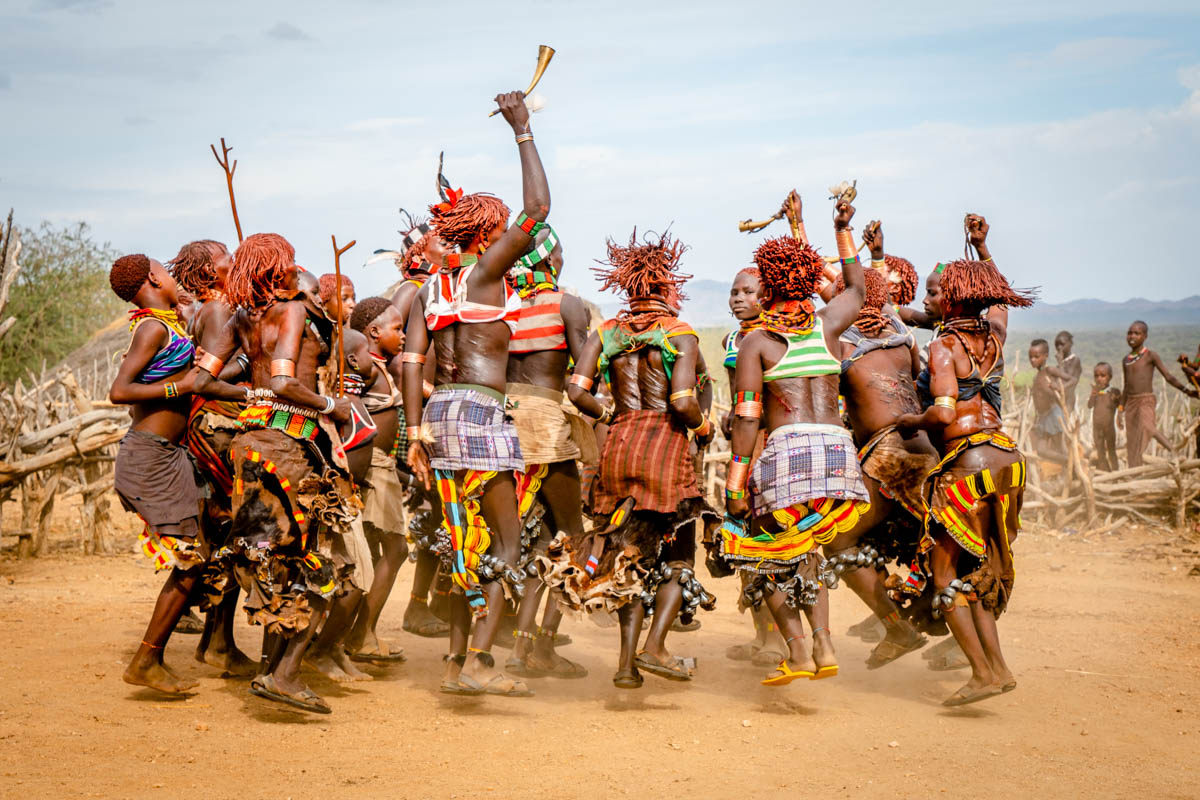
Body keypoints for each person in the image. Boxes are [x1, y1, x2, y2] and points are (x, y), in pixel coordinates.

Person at [402, 90, 548, 697]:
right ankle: (484, 662)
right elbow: (538, 207)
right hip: (482, 414)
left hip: (436, 415)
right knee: (508, 542)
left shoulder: (426, 290)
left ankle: (457, 664)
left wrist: (414, 434)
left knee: (460, 539)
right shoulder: (487, 273)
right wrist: (522, 129)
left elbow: (412, 362)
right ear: (489, 231)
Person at [541, 226, 717, 689]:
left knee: (627, 554)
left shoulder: (607, 333)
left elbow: (576, 390)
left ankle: (625, 668)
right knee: (678, 553)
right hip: (664, 448)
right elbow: (682, 400)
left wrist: (611, 412)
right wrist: (704, 427)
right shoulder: (681, 334)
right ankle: (655, 647)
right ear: (666, 286)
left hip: (617, 447)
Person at [194, 232, 361, 713]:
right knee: (317, 564)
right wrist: (333, 403)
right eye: (288, 260)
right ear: (278, 267)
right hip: (289, 450)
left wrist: (251, 393)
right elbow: (286, 380)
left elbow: (203, 379)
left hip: (250, 446)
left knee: (274, 561)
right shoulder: (291, 311)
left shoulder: (240, 318)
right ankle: (285, 675)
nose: (294, 267)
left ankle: (272, 671)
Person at [720, 197, 867, 686]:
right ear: (805, 281)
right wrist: (841, 229)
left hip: (789, 452)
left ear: (767, 289)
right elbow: (857, 288)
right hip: (838, 453)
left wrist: (735, 483)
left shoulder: (754, 343)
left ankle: (799, 651)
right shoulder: (828, 327)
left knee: (758, 549)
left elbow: (746, 420)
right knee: (808, 549)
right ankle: (825, 644)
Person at [896, 214, 1034, 706]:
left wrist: (911, 424)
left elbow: (943, 413)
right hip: (1008, 461)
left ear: (952, 299)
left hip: (967, 467)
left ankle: (982, 672)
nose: (930, 301)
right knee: (979, 568)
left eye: (938, 294)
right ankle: (996, 668)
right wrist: (984, 247)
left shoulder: (943, 346)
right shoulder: (992, 338)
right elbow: (999, 301)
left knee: (943, 575)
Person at [108, 254, 242, 693]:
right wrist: (179, 387)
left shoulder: (169, 325)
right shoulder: (152, 328)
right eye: (164, 272)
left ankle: (162, 655)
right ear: (153, 279)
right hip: (149, 458)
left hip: (167, 455)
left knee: (202, 552)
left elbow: (201, 380)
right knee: (190, 559)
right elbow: (120, 391)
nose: (171, 276)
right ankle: (146, 660)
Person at [829, 220, 932, 668]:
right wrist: (863, 248)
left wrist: (843, 234)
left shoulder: (841, 345)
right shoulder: (902, 339)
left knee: (837, 539)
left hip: (890, 454)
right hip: (928, 447)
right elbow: (879, 299)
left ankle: (897, 627)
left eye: (841, 295)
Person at [503, 225, 591, 679]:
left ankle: (520, 649)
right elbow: (583, 375)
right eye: (559, 255)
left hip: (502, 423)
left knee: (534, 541)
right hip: (544, 426)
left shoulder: (505, 303)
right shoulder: (566, 304)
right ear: (550, 261)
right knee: (571, 540)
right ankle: (540, 649)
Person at [168, 238, 256, 676]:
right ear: (206, 272)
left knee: (224, 536)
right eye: (226, 258)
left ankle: (216, 640)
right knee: (227, 534)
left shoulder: (211, 309)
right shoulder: (219, 311)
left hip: (212, 424)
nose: (234, 261)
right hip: (219, 426)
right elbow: (208, 377)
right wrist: (253, 365)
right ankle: (215, 642)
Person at [719, 266, 790, 666]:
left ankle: (780, 640)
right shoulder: (735, 337)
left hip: (769, 445)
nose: (738, 298)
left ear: (768, 295)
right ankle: (763, 635)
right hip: (745, 442)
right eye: (734, 291)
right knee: (744, 540)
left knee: (773, 539)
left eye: (749, 291)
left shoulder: (779, 334)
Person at [342, 297, 412, 663]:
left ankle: (355, 634)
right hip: (372, 467)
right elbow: (345, 407)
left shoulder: (380, 367)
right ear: (373, 332)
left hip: (382, 466)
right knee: (395, 550)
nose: (402, 335)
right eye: (397, 329)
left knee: (374, 551)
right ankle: (361, 635)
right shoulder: (365, 368)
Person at [1119, 321, 1198, 467]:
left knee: (1148, 427)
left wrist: (1186, 391)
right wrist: (1120, 409)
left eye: (1137, 333)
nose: (1132, 336)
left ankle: (1173, 451)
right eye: (1129, 332)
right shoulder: (1126, 360)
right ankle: (1134, 474)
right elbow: (1126, 386)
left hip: (1145, 400)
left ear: (1145, 336)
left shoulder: (1150, 355)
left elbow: (1168, 377)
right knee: (1133, 441)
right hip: (1130, 403)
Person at [1029, 339, 1071, 465]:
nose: (1032, 360)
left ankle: (1070, 470)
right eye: (1030, 357)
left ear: (1046, 356)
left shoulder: (1049, 371)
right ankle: (1069, 463)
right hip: (1043, 418)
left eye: (1036, 357)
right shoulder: (1036, 377)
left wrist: (1058, 388)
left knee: (1059, 447)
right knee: (1041, 450)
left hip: (1053, 415)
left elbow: (1071, 379)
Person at [1088, 362, 1121, 472]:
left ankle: (1116, 474)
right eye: (1096, 376)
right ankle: (1105, 473)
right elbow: (1089, 405)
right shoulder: (1096, 392)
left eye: (1103, 375)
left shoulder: (1114, 392)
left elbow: (1120, 406)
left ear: (1110, 377)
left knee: (1111, 451)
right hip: (1096, 428)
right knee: (1100, 451)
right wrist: (1093, 394)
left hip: (1109, 427)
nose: (1099, 379)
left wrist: (1119, 415)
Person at [1054, 331, 1082, 414]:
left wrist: (1060, 363)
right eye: (1057, 344)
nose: (1059, 347)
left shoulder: (1075, 360)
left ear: (1070, 344)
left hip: (1068, 403)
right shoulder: (1062, 362)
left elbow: (1065, 381)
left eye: (1062, 344)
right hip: (1058, 403)